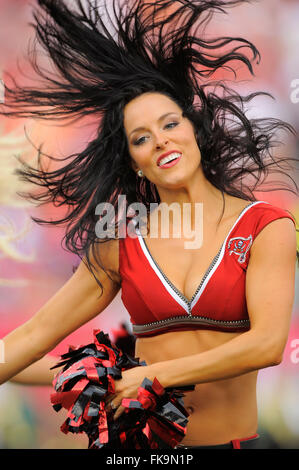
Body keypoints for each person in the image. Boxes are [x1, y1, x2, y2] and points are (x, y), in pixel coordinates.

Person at [0, 0, 298, 449]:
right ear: (133, 161)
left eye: (170, 123)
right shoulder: (119, 240)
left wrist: (150, 374)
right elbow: (33, 337)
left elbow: (267, 345)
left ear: (194, 129)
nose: (160, 141)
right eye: (141, 138)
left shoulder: (265, 225)